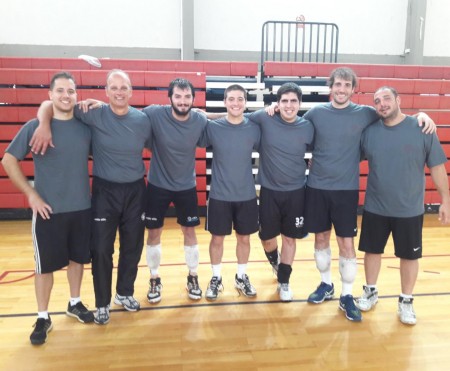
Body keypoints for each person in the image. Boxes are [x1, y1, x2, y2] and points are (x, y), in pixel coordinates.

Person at [301, 67, 436, 322]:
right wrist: (272, 110)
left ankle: (347, 295)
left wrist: (422, 114)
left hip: (346, 189)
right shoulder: (316, 113)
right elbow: (293, 128)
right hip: (317, 187)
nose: (341, 89)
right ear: (331, 87)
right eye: (337, 84)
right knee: (320, 238)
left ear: (353, 89)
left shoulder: (366, 114)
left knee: (347, 244)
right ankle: (326, 284)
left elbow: (395, 116)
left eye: (346, 85)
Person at [31, 69, 152, 325]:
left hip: (135, 191)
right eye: (114, 88)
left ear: (131, 91)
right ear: (106, 91)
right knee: (100, 249)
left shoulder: (143, 119)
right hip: (105, 191)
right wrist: (43, 123)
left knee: (133, 246)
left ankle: (124, 293)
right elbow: (50, 103)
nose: (119, 92)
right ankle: (102, 303)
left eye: (124, 87)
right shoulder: (91, 113)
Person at [2, 72, 94, 345]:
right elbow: (8, 160)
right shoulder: (35, 126)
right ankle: (43, 316)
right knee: (45, 267)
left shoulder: (84, 126)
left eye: (71, 91)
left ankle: (74, 302)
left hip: (81, 207)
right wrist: (31, 194)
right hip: (48, 211)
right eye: (61, 91)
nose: (66, 95)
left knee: (78, 260)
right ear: (50, 95)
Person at [355, 86, 450, 325]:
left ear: (398, 100)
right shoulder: (369, 133)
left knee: (409, 256)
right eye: (377, 101)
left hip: (409, 209)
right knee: (371, 251)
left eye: (387, 99)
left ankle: (406, 300)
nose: (382, 104)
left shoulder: (422, 128)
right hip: (376, 206)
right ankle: (370, 290)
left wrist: (445, 200)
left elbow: (437, 166)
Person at [141, 78, 208, 303]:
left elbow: (219, 119)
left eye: (187, 96)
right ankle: (154, 277)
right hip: (157, 185)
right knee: (153, 233)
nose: (182, 101)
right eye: (178, 96)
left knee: (189, 232)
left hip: (186, 186)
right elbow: (123, 113)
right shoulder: (154, 113)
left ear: (193, 99)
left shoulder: (199, 119)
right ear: (169, 97)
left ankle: (193, 276)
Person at [251, 83, 314, 301]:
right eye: (284, 101)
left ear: (300, 104)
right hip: (269, 191)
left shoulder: (307, 126)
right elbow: (235, 114)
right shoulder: (264, 118)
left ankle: (284, 281)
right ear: (277, 104)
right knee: (267, 238)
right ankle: (275, 262)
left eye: (293, 101)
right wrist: (203, 114)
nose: (289, 105)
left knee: (290, 238)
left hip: (296, 192)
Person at [203, 84, 260, 300]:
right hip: (219, 195)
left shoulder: (254, 128)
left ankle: (241, 276)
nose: (236, 103)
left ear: (245, 102)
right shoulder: (213, 128)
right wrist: (207, 115)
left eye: (240, 99)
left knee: (244, 239)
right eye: (231, 99)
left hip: (246, 195)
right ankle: (216, 277)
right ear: (225, 102)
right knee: (217, 239)